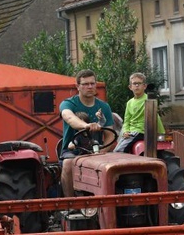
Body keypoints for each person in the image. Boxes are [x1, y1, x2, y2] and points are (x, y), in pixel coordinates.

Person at [59, 69, 115, 197]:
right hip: (73, 150)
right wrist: (86, 126)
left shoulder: (104, 107)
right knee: (68, 163)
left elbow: (110, 134)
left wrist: (102, 151)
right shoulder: (68, 104)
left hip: (97, 150)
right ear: (77, 86)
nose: (89, 87)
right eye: (85, 84)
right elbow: (69, 118)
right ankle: (71, 204)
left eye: (92, 83)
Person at [114, 72, 165, 153]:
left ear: (144, 86)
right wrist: (126, 131)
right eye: (134, 83)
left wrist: (161, 133)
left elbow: (155, 117)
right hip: (131, 133)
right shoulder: (130, 103)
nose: (137, 86)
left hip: (141, 131)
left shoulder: (149, 100)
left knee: (119, 151)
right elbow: (127, 120)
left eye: (139, 83)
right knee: (116, 149)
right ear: (130, 87)